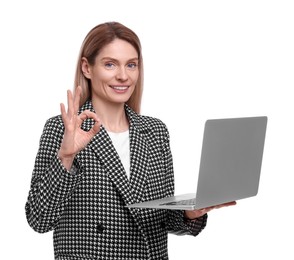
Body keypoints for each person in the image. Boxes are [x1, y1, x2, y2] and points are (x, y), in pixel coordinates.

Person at [25, 21, 236, 260]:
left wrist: (190, 214)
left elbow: (162, 219)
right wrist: (66, 157)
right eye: (110, 64)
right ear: (87, 67)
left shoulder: (155, 131)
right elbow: (39, 220)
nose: (123, 76)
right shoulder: (61, 128)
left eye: (131, 65)